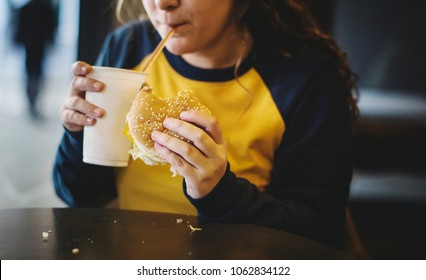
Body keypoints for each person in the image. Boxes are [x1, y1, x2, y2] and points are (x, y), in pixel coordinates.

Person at [53, 0, 359, 249]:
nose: (163, 4)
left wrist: (219, 192)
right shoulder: (126, 47)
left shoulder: (307, 76)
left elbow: (319, 232)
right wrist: (79, 134)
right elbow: (78, 196)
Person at [14, 0, 57, 119]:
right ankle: (32, 99)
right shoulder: (44, 8)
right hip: (37, 46)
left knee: (31, 73)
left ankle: (32, 99)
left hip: (32, 46)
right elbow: (51, 27)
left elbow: (19, 29)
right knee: (35, 73)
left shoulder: (27, 8)